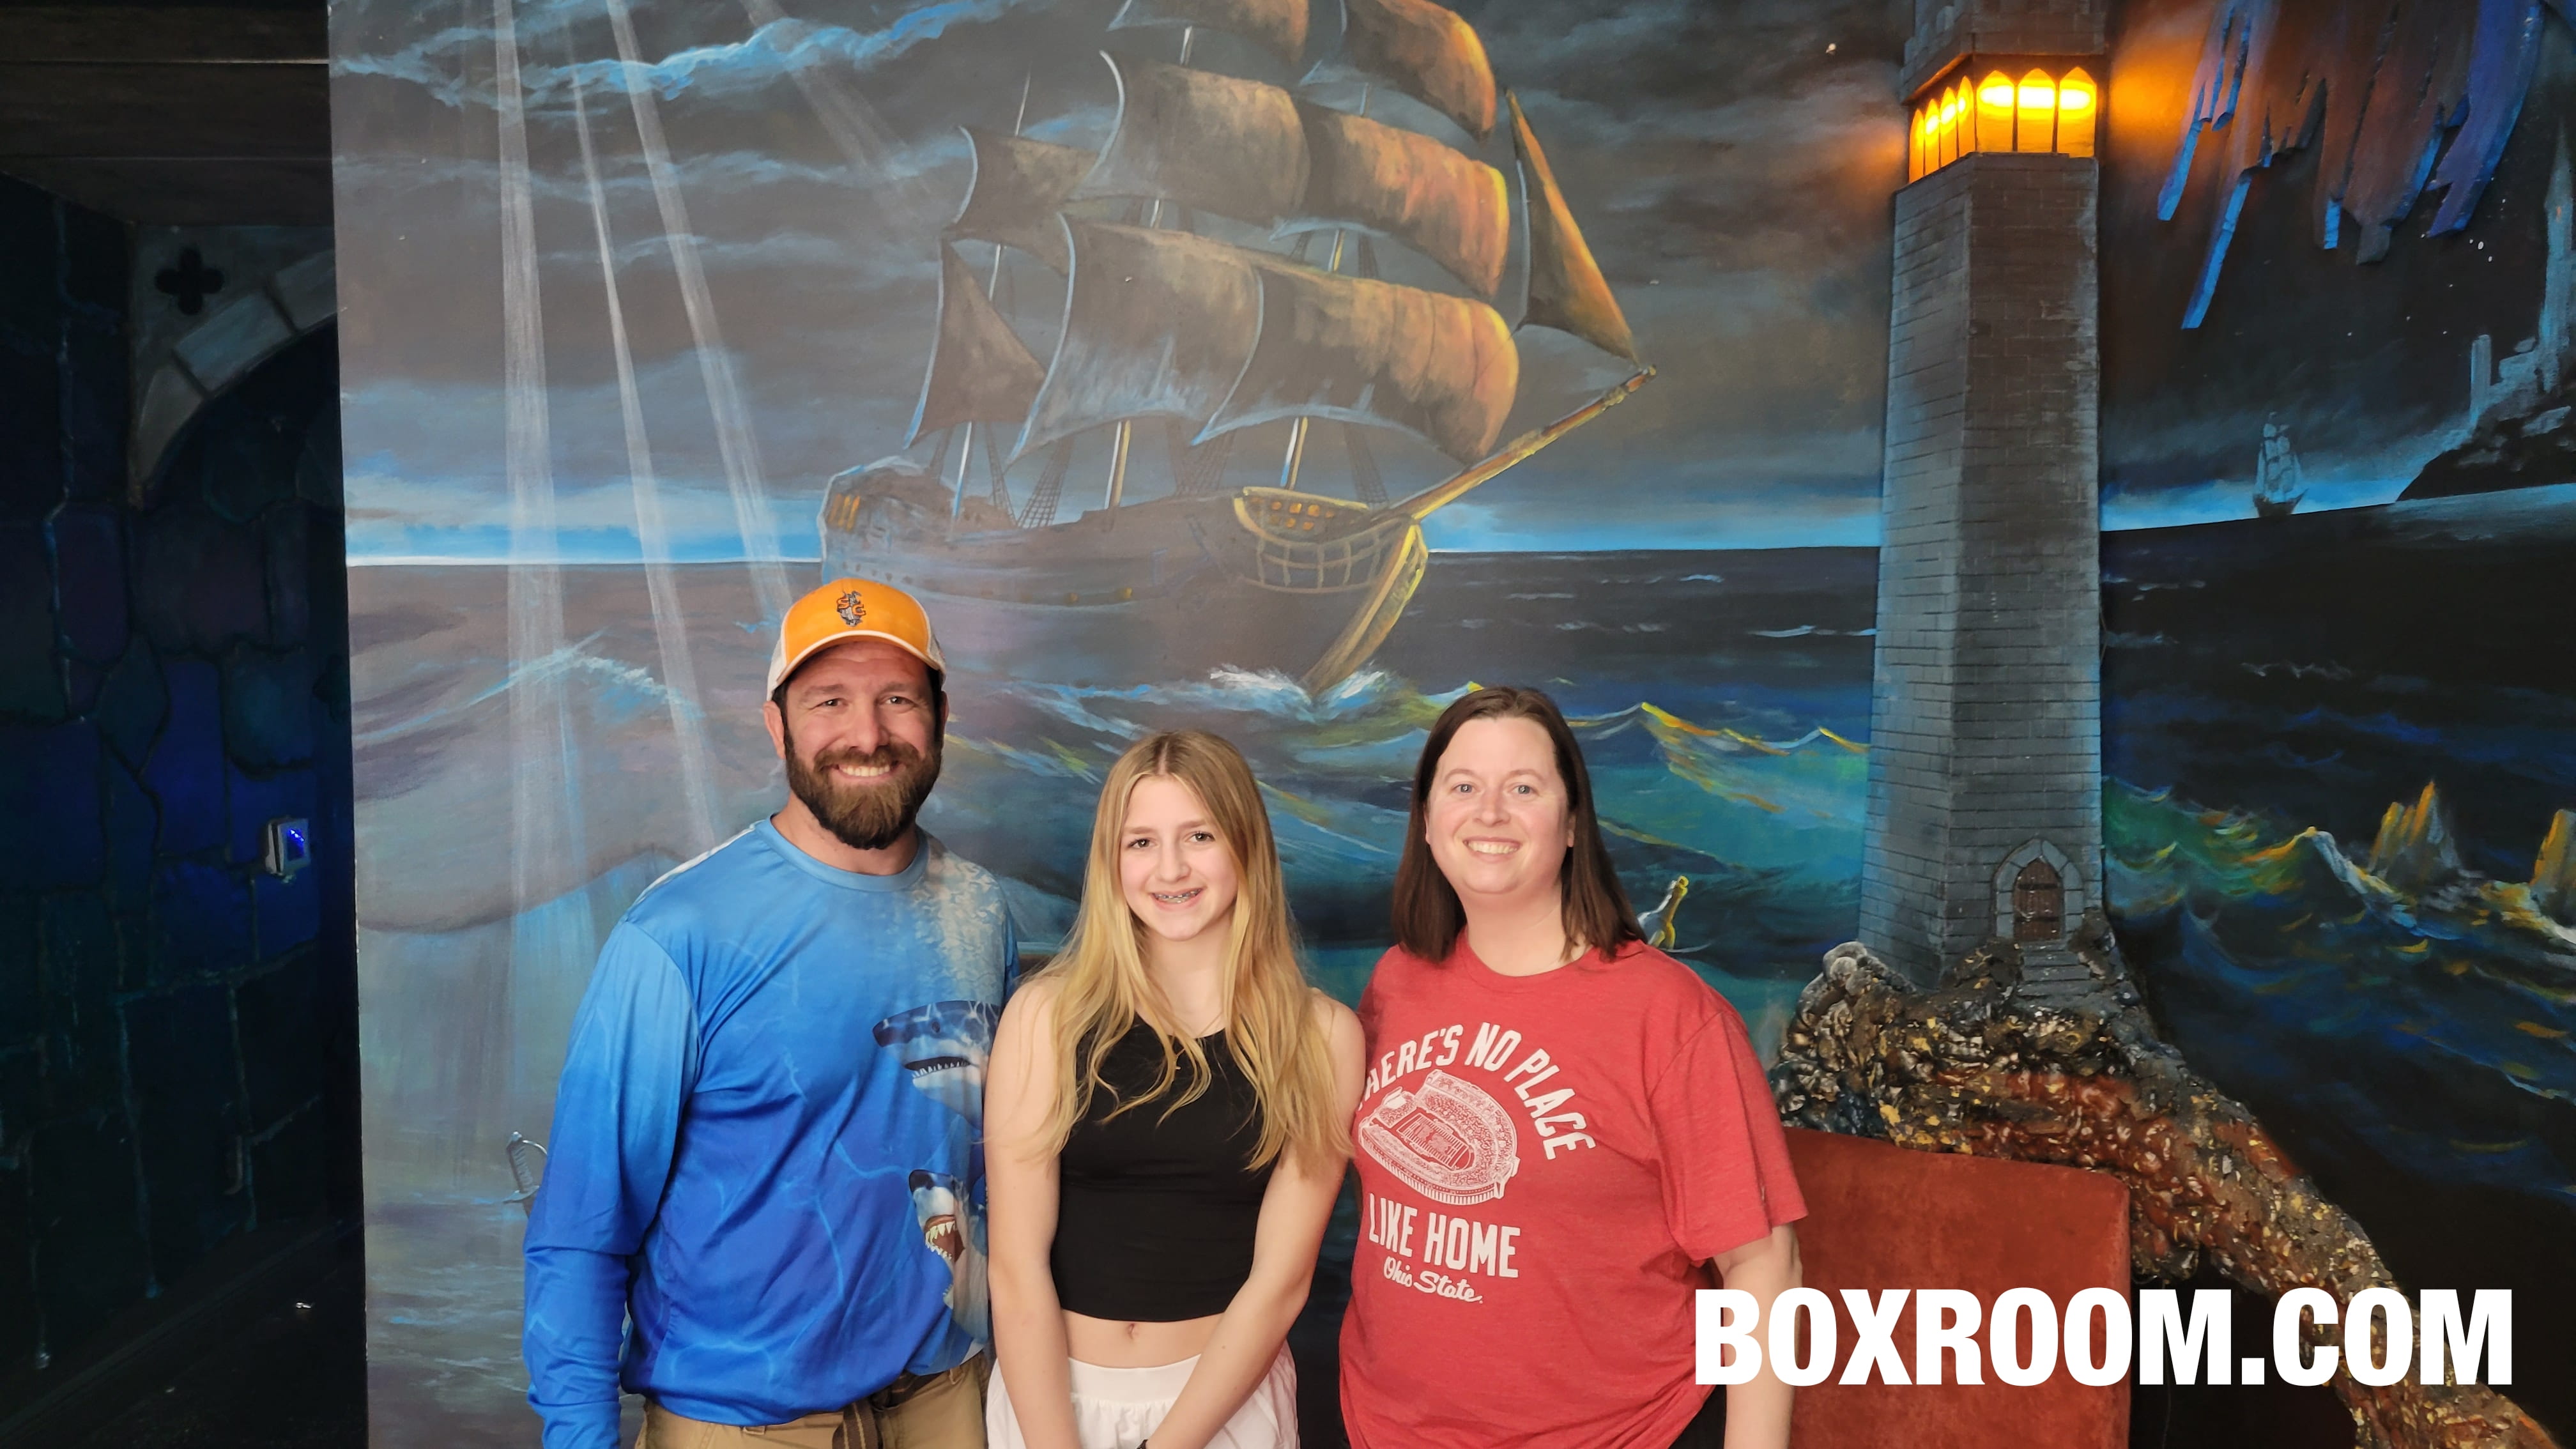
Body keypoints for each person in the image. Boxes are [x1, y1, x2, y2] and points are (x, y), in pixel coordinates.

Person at [524, 578, 1016, 1449]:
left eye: (897, 699)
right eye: (829, 701)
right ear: (776, 725)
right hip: (741, 1426)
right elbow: (582, 1231)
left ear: (940, 717)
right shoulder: (679, 933)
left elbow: (999, 1168)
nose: (867, 734)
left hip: (952, 1405)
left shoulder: (980, 910)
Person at [1338, 687, 1805, 1449]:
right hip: (1383, 1427)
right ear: (1426, 820)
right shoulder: (1398, 981)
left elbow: (1764, 1266)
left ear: (1573, 824)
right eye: (1464, 787)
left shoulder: (1670, 1016)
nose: (1490, 813)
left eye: (1524, 788)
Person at [984, 730, 1364, 1449]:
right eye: (1141, 843)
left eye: (1199, 836)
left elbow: (1280, 1284)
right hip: (1049, 1402)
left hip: (1221, 1410)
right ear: (1112, 861)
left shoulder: (1320, 1036)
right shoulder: (1046, 1017)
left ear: (1246, 845)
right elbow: (1015, 1266)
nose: (1170, 868)